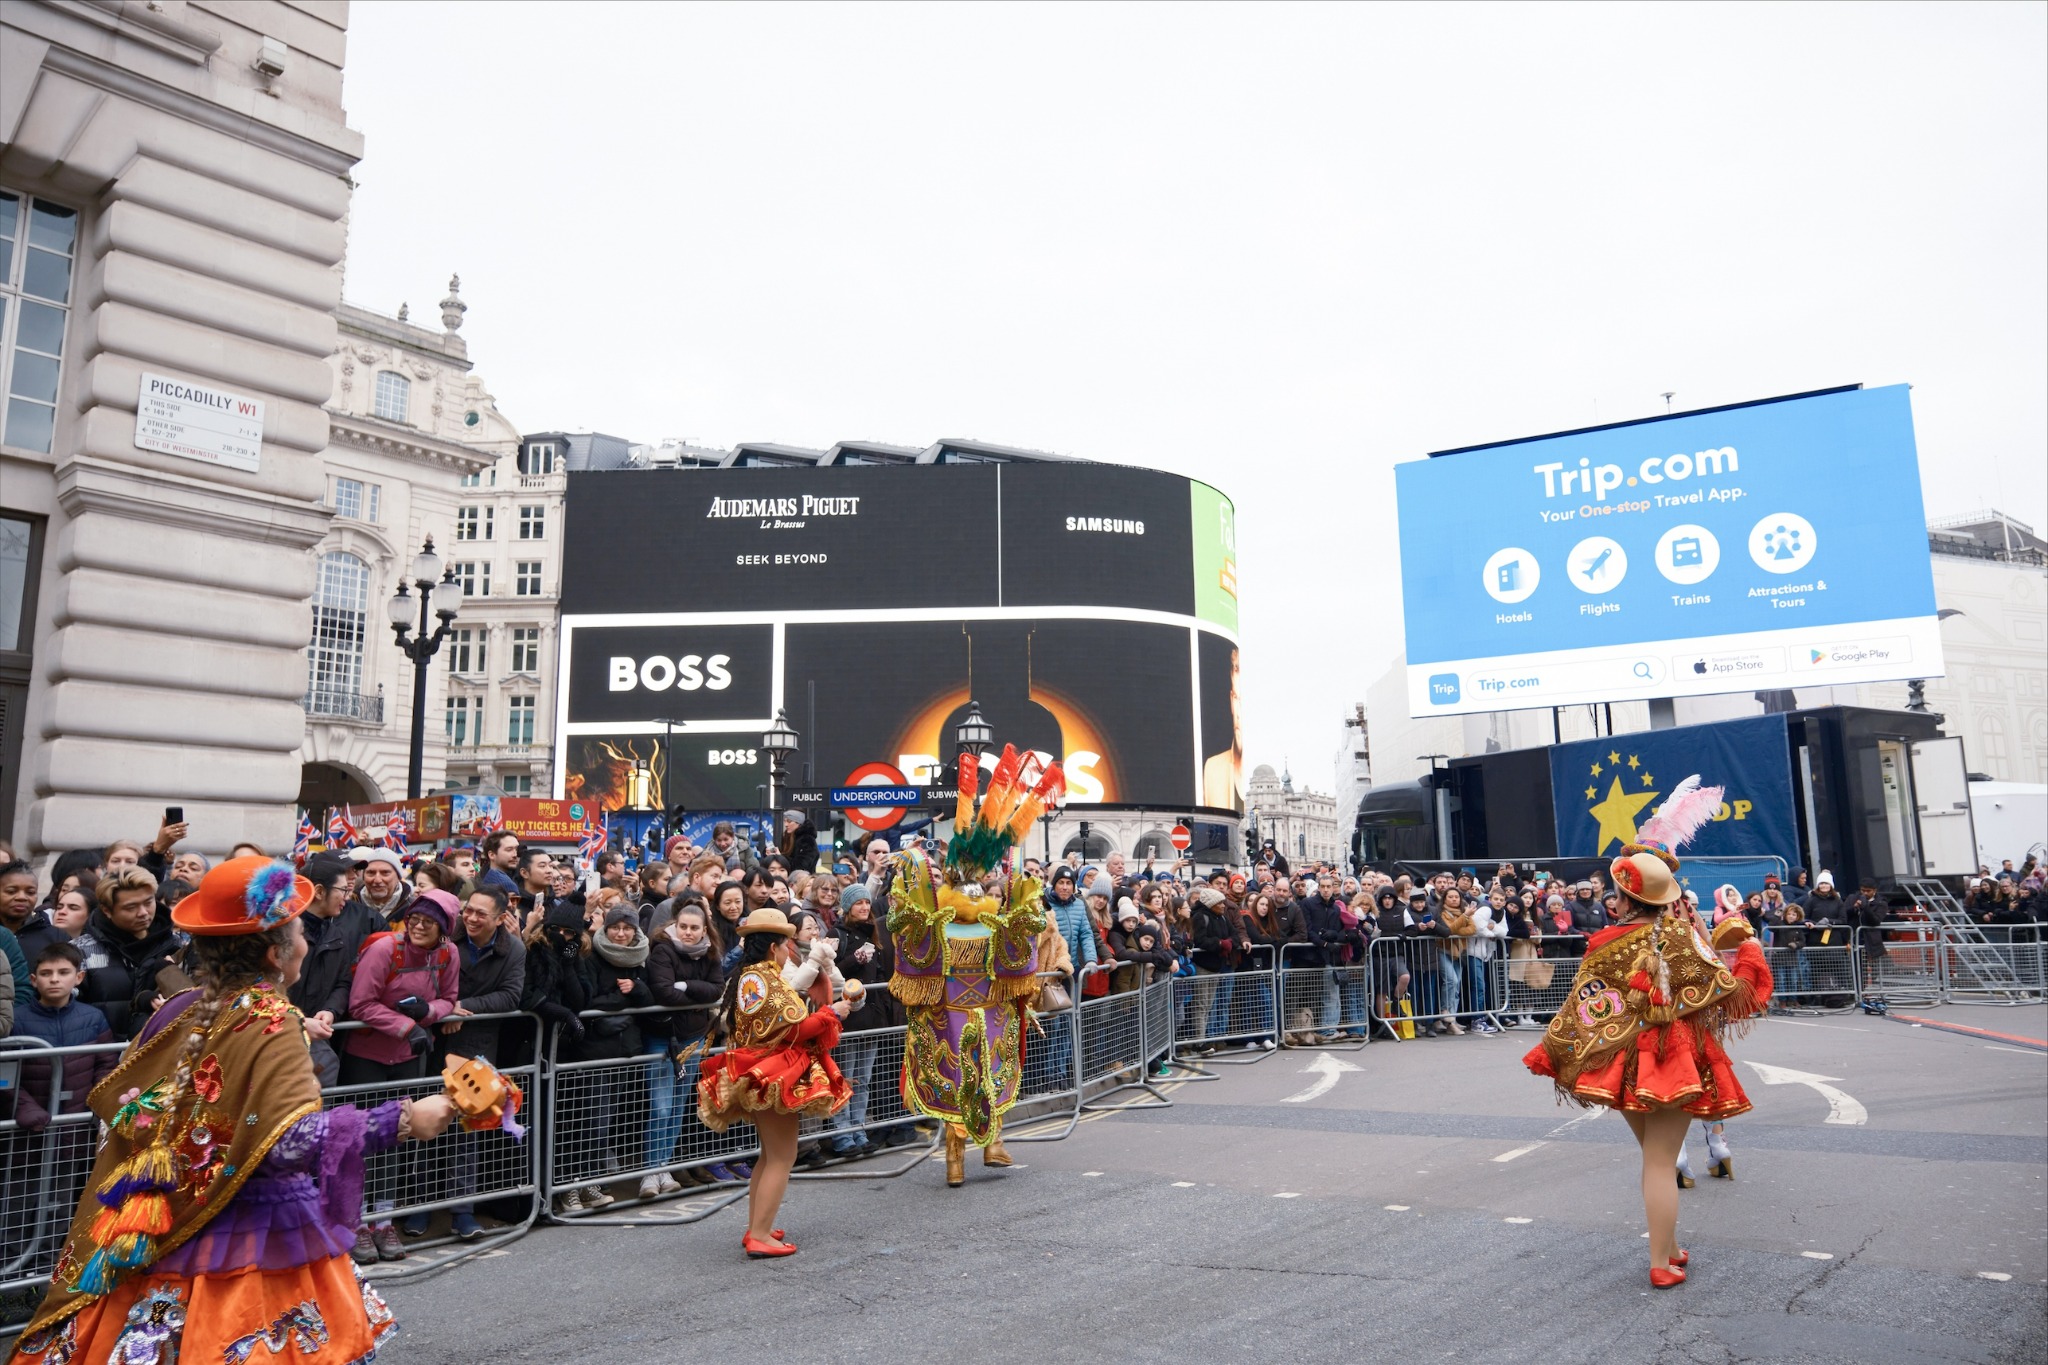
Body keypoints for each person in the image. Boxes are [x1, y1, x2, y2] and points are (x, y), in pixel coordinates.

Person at [11, 856, 459, 1363]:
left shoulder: (180, 1009)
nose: (307, 944)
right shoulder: (273, 1018)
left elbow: (134, 1115)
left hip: (164, 1222)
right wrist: (401, 1119)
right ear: (276, 953)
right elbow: (287, 1141)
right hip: (254, 1230)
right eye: (299, 932)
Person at [1523, 777, 1770, 1288]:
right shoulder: (1680, 936)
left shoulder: (1601, 942)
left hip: (1621, 1063)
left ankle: (1670, 1247)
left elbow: (1584, 1009)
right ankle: (1661, 1262)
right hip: (1672, 1059)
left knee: (1652, 1160)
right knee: (1660, 1163)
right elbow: (1728, 993)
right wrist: (1749, 952)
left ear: (1620, 898)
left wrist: (1562, 1052)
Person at [891, 746, 1058, 1186]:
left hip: (961, 1017)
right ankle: (975, 1152)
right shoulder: (978, 924)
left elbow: (1014, 965)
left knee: (968, 1081)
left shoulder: (947, 925)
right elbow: (1017, 966)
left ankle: (967, 1157)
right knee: (976, 1078)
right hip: (975, 1018)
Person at [697, 907, 852, 1257]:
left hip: (759, 1069)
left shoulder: (750, 976)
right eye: (786, 945)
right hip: (773, 1071)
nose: (789, 952)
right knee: (783, 1156)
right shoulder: (766, 979)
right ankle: (760, 1235)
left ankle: (758, 1226)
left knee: (769, 1156)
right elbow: (796, 1028)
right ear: (773, 947)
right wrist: (833, 1013)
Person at [342, 889, 461, 1261]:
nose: (419, 927)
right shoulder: (385, 950)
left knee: (397, 1137)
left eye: (430, 922)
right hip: (367, 1058)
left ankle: (384, 1219)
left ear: (445, 929)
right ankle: (356, 1222)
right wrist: (405, 1026)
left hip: (410, 1057)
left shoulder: (448, 954)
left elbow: (450, 998)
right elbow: (360, 1003)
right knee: (361, 1140)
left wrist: (427, 1013)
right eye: (415, 919)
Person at [425, 883, 526, 1238]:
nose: (471, 918)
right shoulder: (444, 936)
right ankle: (423, 1205)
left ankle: (462, 1210)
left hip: (477, 1046)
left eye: (481, 914)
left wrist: (465, 1011)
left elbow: (511, 996)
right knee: (426, 1122)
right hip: (433, 1039)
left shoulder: (513, 949)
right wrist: (444, 1008)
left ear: (500, 919)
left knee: (467, 1128)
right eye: (468, 910)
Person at [646, 902, 726, 1191]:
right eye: (684, 927)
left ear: (704, 929)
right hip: (663, 1036)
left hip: (693, 1037)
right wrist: (694, 995)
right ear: (674, 926)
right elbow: (664, 992)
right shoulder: (663, 949)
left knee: (679, 1105)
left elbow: (717, 989)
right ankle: (650, 1171)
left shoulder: (711, 952)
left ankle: (665, 1168)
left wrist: (685, 986)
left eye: (694, 928)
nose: (688, 933)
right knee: (661, 1106)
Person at [288, 852, 383, 1087]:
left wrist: (331, 1010)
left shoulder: (336, 934)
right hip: (279, 1038)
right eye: (342, 890)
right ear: (319, 892)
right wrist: (298, 1022)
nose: (347, 897)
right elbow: (262, 991)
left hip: (318, 1042)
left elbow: (344, 981)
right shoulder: (280, 934)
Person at [73, 868, 185, 1039]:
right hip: (99, 1053)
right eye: (131, 907)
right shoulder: (82, 951)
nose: (143, 913)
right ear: (106, 910)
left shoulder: (177, 946)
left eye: (148, 902)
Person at [823, 883, 888, 1156]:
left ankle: (858, 1131)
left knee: (863, 1079)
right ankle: (842, 1136)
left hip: (870, 1018)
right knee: (844, 1079)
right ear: (848, 906)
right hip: (848, 1019)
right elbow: (828, 972)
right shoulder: (836, 933)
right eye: (858, 903)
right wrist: (855, 959)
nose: (864, 907)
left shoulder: (872, 932)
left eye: (866, 902)